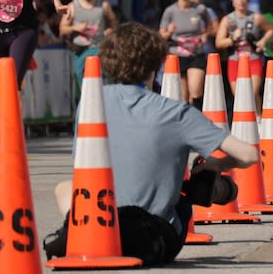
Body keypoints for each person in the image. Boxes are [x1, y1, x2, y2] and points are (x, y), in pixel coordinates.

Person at [45, 23, 260, 266]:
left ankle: (75, 232)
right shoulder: (177, 113)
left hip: (100, 225)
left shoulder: (90, 104)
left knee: (64, 187)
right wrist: (215, 165)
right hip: (155, 235)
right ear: (156, 64)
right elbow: (248, 155)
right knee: (183, 193)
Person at [59, 0, 118, 97]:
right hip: (81, 51)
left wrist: (111, 30)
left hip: (100, 49)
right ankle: (86, 109)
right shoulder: (72, 6)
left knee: (103, 84)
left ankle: (104, 108)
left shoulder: (103, 5)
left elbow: (113, 20)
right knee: (84, 86)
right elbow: (62, 29)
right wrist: (75, 28)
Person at [214, 0, 273, 102]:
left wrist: (263, 41)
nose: (240, 1)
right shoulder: (227, 20)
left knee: (252, 94)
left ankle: (258, 117)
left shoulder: (256, 17)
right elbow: (219, 43)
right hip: (234, 60)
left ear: (247, 0)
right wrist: (232, 38)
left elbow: (271, 29)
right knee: (239, 97)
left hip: (253, 59)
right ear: (232, 1)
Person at [159, 0, 212, 105]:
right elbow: (162, 34)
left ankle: (196, 115)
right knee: (183, 95)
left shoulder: (200, 9)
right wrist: (170, 31)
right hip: (177, 54)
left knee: (195, 91)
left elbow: (211, 24)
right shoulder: (170, 11)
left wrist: (205, 34)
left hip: (196, 53)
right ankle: (187, 121)